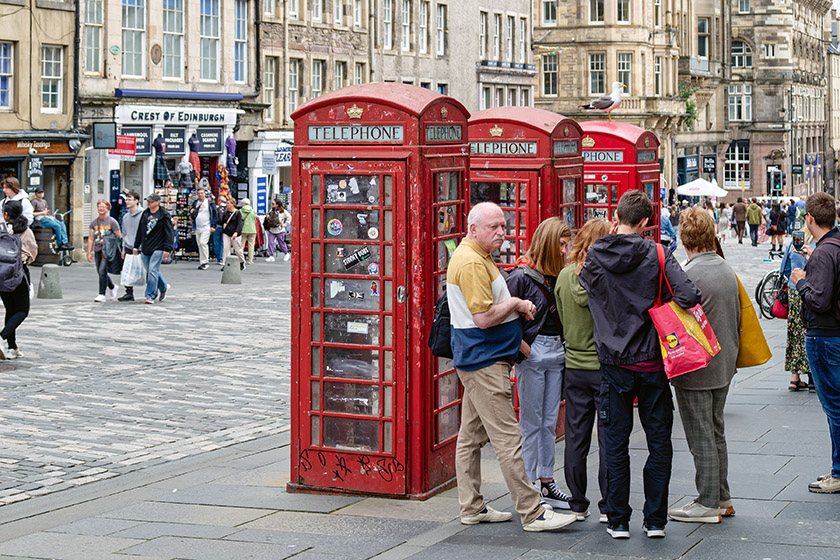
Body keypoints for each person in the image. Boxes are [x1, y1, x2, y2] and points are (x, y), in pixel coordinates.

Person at [447, 201, 576, 532]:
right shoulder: (472, 263)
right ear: (473, 229)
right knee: (508, 438)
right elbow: (484, 318)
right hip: (484, 361)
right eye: (494, 227)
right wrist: (517, 304)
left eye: (503, 226)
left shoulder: (479, 256)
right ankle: (533, 512)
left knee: (470, 437)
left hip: (482, 358)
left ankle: (472, 506)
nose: (502, 233)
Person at [579, 190, 701, 539]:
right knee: (659, 441)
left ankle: (617, 520)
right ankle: (655, 521)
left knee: (615, 443)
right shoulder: (659, 252)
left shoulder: (596, 254)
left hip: (613, 362)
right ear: (647, 222)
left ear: (616, 217)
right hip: (651, 361)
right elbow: (689, 295)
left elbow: (589, 292)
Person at [667, 208, 740, 524]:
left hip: (698, 368)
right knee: (715, 430)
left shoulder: (690, 274)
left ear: (684, 239)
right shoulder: (724, 268)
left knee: (701, 436)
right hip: (724, 364)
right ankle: (722, 497)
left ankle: (706, 502)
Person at [505, 217, 572, 511]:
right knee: (531, 424)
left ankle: (547, 480)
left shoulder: (560, 275)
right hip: (534, 354)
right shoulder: (520, 277)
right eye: (561, 244)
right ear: (547, 243)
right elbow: (500, 317)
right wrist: (522, 348)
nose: (565, 249)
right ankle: (531, 487)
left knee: (549, 423)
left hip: (558, 352)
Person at [555, 218, 611, 524]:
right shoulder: (606, 277)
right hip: (603, 368)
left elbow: (562, 318)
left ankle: (577, 504)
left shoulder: (564, 276)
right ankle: (607, 505)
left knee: (576, 438)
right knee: (608, 439)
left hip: (573, 367)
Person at [791, 192, 840, 493]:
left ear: (810, 218)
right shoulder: (833, 245)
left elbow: (819, 300)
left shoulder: (824, 252)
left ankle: (838, 471)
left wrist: (800, 280)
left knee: (834, 406)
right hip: (835, 333)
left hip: (824, 336)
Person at [780, 226, 816, 392]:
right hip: (813, 291)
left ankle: (795, 377)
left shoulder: (792, 244)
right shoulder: (819, 244)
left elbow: (784, 269)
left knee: (795, 333)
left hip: (794, 292)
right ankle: (812, 377)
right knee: (811, 331)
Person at [0, 200, 36, 360]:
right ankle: (2, 337)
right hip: (18, 274)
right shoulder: (25, 231)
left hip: (2, 275)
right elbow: (32, 253)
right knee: (22, 310)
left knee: (10, 310)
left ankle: (12, 347)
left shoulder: (2, 230)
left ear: (6, 214)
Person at [133, 193, 174, 305]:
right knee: (151, 270)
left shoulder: (164, 214)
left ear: (157, 202)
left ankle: (150, 295)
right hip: (146, 246)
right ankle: (163, 287)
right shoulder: (145, 213)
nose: (149, 203)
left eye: (151, 201)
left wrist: (168, 248)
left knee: (152, 271)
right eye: (148, 201)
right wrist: (136, 245)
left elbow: (169, 232)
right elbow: (140, 230)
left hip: (158, 246)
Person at [87, 199, 122, 302]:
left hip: (108, 251)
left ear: (108, 208)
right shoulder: (94, 223)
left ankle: (101, 294)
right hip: (98, 250)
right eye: (99, 207)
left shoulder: (112, 222)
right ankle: (112, 287)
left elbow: (118, 236)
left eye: (103, 207)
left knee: (102, 270)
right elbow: (90, 238)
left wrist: (106, 240)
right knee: (100, 272)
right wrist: (89, 252)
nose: (101, 209)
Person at [118, 191, 143, 302]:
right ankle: (129, 293)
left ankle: (156, 289)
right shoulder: (125, 217)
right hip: (128, 245)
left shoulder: (143, 214)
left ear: (136, 201)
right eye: (126, 200)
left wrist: (139, 246)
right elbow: (125, 233)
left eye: (129, 199)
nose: (127, 202)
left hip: (140, 247)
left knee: (147, 270)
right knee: (126, 271)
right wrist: (123, 248)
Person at [190, 187, 217, 270]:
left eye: (202, 193)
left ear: (205, 194)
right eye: (199, 193)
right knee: (200, 245)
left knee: (203, 243)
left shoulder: (209, 203)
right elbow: (192, 213)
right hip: (198, 227)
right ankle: (202, 262)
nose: (200, 195)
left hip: (206, 226)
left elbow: (215, 214)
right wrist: (191, 212)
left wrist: (213, 226)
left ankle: (205, 261)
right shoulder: (195, 203)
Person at [221, 197, 245, 271]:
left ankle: (241, 261)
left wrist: (236, 232)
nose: (226, 205)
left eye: (228, 203)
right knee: (226, 249)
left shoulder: (237, 213)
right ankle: (225, 264)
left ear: (232, 204)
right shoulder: (225, 212)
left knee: (237, 249)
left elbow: (239, 224)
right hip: (226, 233)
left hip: (235, 234)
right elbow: (223, 222)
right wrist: (223, 231)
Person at [239, 197, 257, 266]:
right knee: (251, 245)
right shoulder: (253, 211)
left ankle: (241, 259)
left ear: (243, 204)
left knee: (241, 245)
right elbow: (254, 220)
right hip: (252, 229)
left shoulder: (240, 211)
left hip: (243, 230)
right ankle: (250, 260)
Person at [212, 195, 227, 265]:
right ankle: (221, 258)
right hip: (225, 228)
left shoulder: (217, 208)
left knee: (217, 243)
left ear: (220, 201)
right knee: (222, 243)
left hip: (217, 227)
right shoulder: (227, 208)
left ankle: (219, 258)